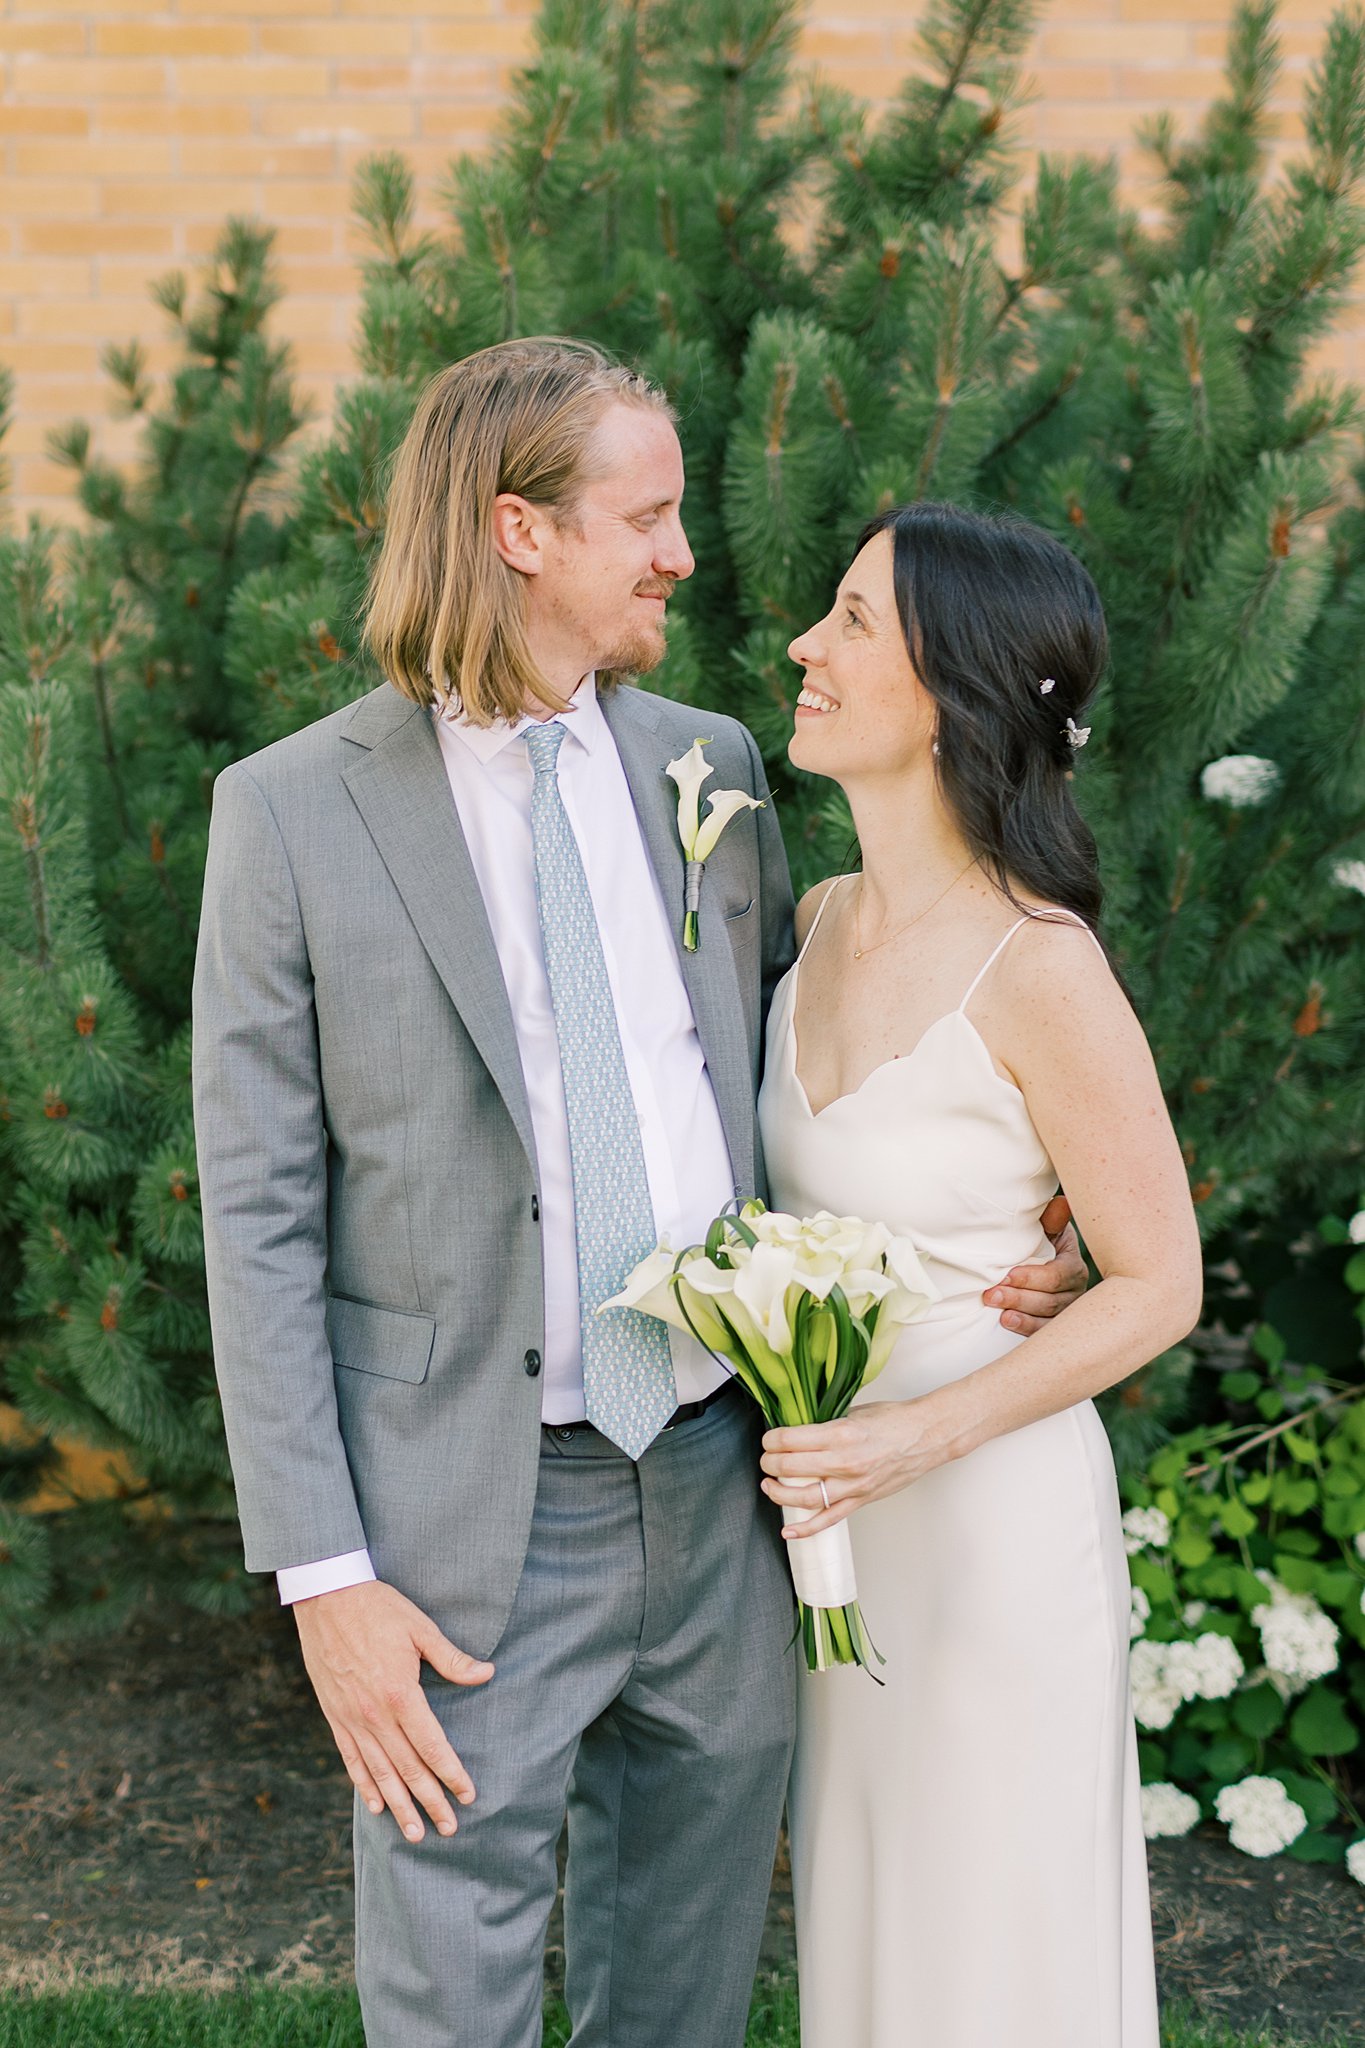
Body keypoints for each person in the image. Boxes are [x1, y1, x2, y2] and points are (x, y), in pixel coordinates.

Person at [192, 341, 1086, 2048]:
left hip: (718, 1482)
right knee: (451, 1993)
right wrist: (326, 1579)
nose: (683, 553)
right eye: (647, 515)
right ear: (518, 531)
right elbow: (257, 1218)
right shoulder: (289, 815)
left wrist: (1003, 1227)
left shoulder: (716, 766)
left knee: (679, 1982)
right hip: (464, 1510)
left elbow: (811, 1063)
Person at [756, 501, 1204, 2048]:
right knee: (874, 1928)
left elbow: (1158, 1281)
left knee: (995, 1949)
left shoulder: (1040, 965)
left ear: (955, 693)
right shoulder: (806, 924)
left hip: (988, 1534)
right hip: (839, 1545)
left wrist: (903, 1440)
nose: (804, 646)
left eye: (853, 621)